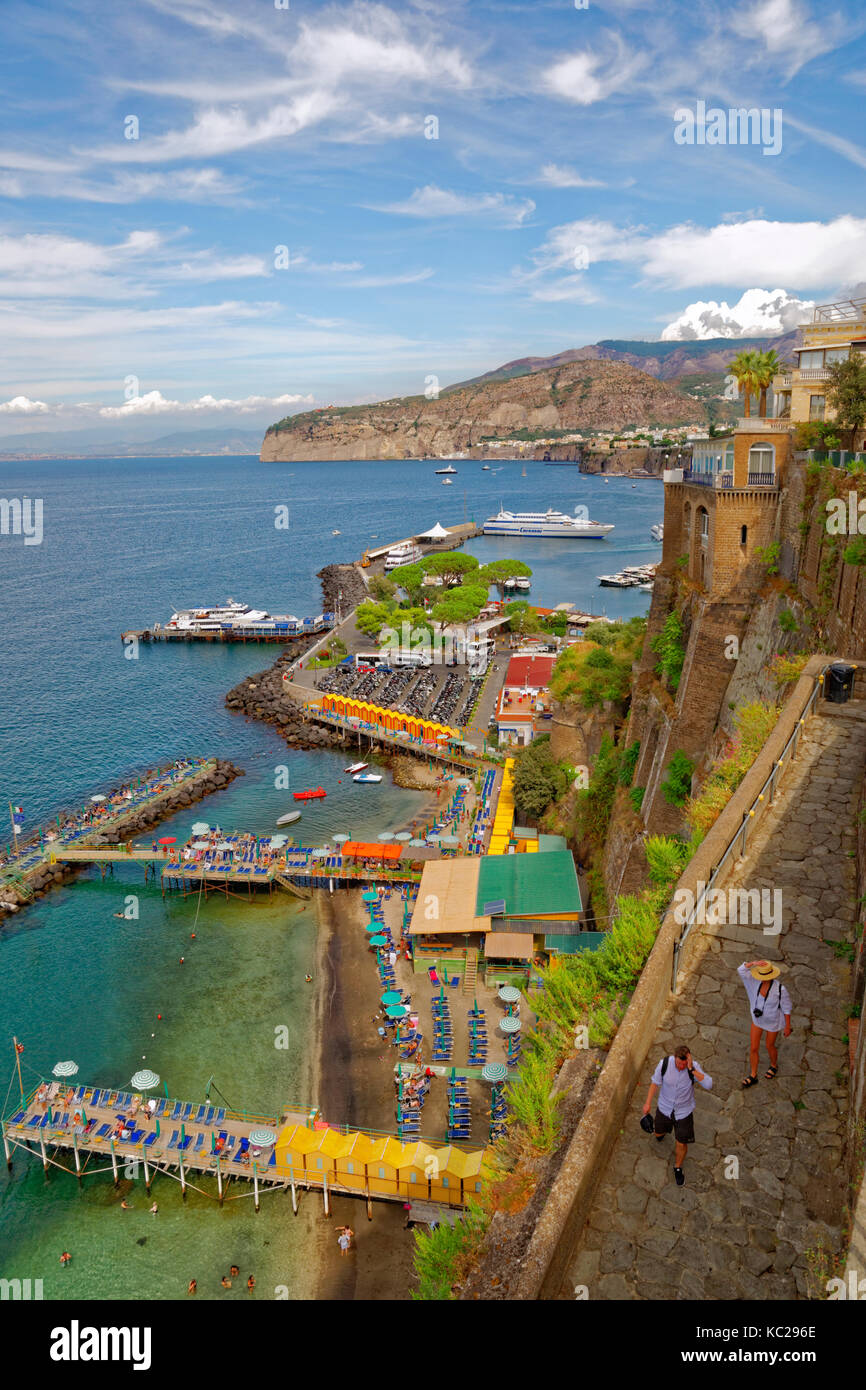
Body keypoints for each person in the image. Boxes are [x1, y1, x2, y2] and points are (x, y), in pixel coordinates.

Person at [642, 1044, 713, 1187]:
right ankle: (660, 1133)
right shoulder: (664, 1064)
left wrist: (691, 1069)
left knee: (681, 1143)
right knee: (657, 1133)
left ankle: (678, 1167)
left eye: (684, 1063)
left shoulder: (692, 1067)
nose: (681, 1066)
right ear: (674, 1058)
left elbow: (709, 1084)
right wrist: (647, 1103)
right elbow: (655, 1083)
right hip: (664, 1108)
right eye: (679, 1063)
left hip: (684, 1112)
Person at [738, 960, 792, 1087]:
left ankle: (773, 1065)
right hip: (757, 1020)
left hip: (773, 1022)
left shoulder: (780, 989)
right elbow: (741, 970)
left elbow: (787, 1007)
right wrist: (753, 963)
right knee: (754, 1048)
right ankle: (753, 1075)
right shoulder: (753, 982)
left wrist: (787, 1026)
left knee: (769, 1046)